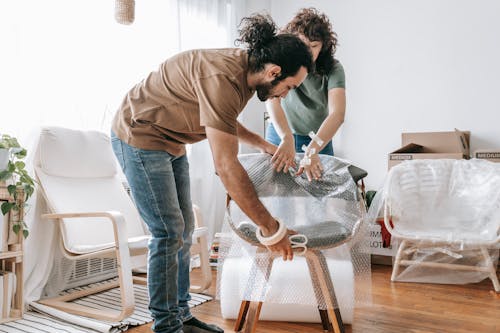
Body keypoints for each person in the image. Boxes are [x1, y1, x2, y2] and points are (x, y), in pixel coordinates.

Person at [110, 13, 313, 333]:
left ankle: (180, 314)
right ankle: (166, 326)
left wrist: (260, 142)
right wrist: (272, 230)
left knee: (184, 228)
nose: (285, 95)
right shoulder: (223, 78)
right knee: (167, 231)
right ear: (274, 72)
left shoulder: (246, 74)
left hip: (172, 141)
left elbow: (222, 117)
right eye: (288, 87)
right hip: (139, 135)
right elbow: (226, 167)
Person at [265, 8, 346, 181]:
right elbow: (272, 100)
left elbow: (337, 114)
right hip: (281, 131)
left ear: (323, 46)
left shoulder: (334, 69)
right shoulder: (281, 61)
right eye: (303, 44)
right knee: (278, 190)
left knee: (319, 192)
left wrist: (312, 149)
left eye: (314, 46)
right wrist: (286, 138)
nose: (308, 52)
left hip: (317, 137)